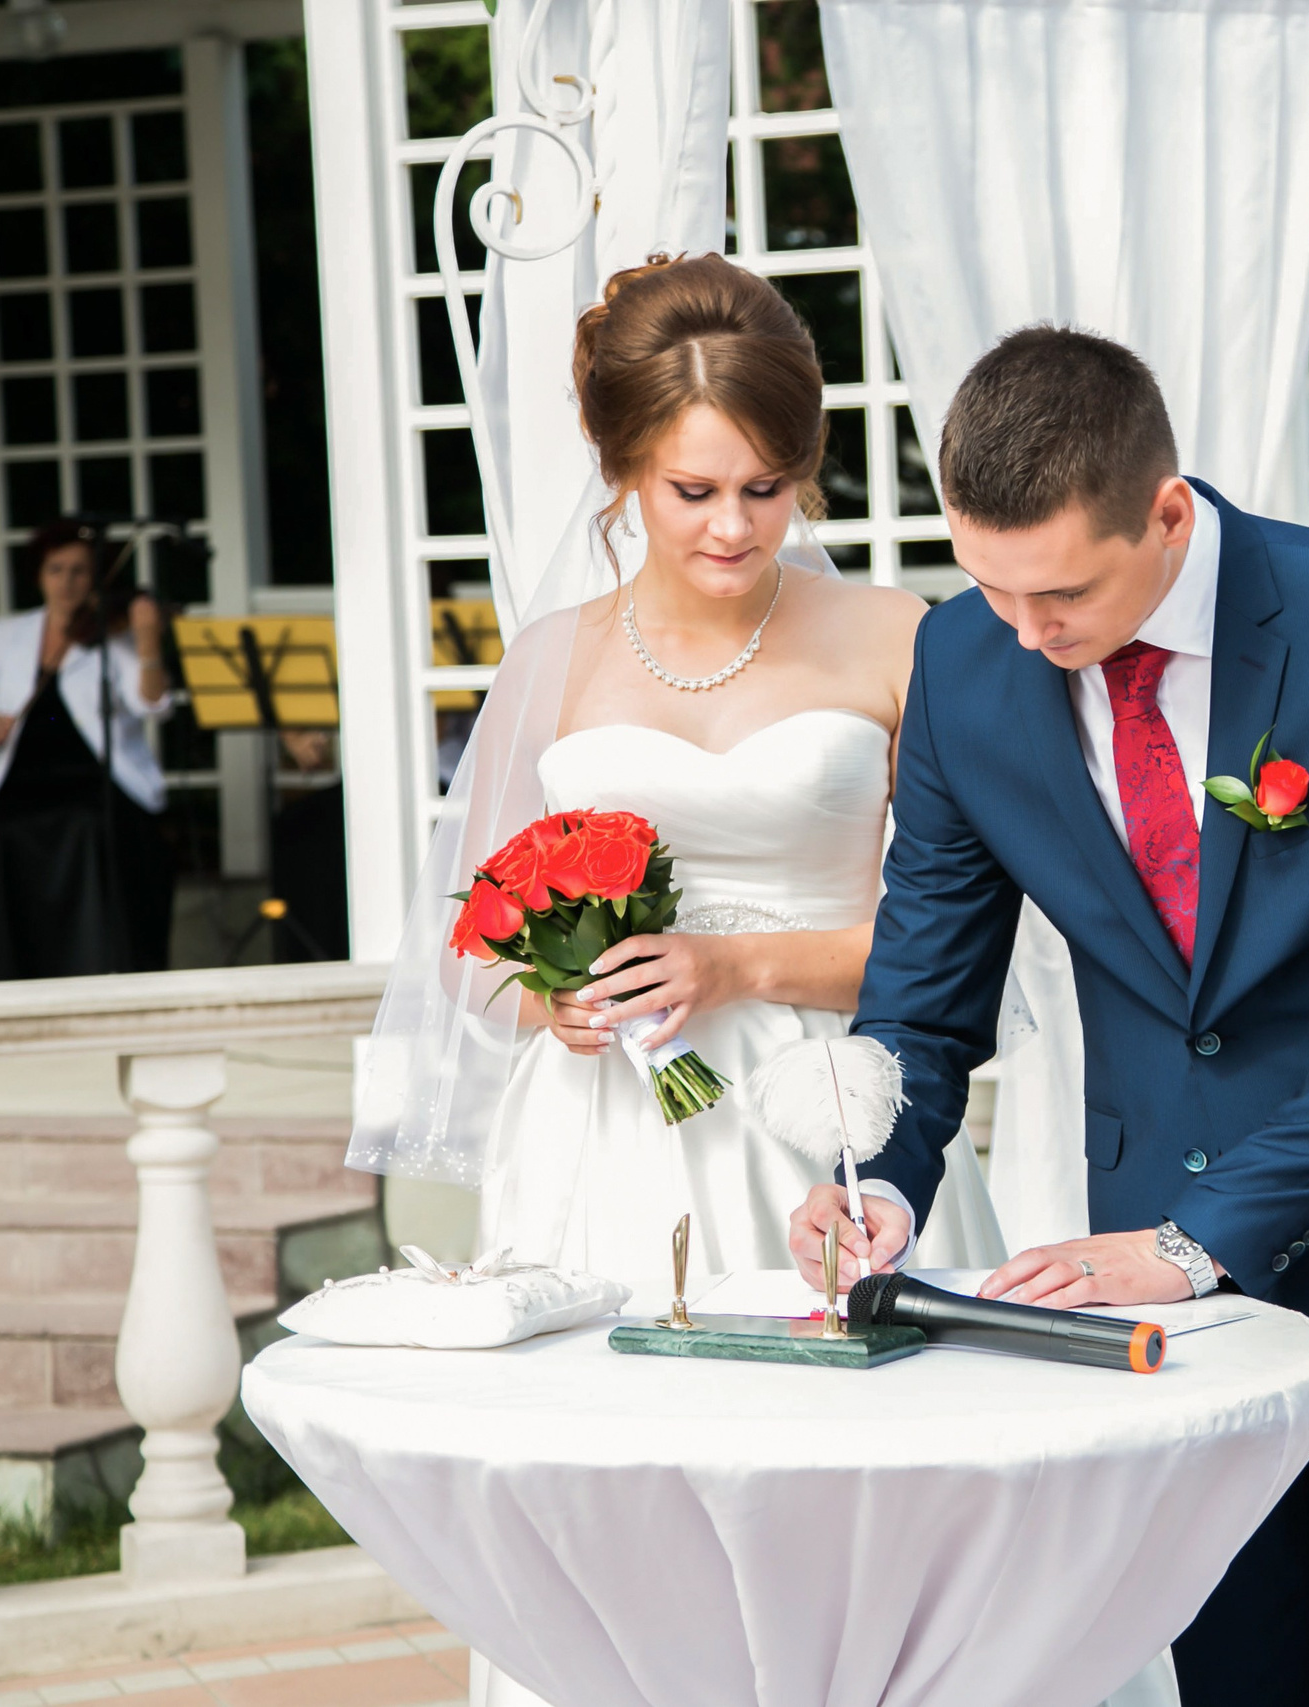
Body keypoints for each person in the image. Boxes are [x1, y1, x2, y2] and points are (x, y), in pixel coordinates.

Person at [788, 327, 1309, 1707]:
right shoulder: (969, 668)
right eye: (989, 585)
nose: (1026, 634)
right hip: (1177, 1333)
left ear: (1166, 513)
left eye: (1060, 593)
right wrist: (885, 1184)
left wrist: (1190, 1239)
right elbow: (923, 1000)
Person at [341, 254, 1009, 1707]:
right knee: (620, 1510)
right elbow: (492, 939)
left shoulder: (906, 638)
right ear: (625, 471)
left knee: (858, 1507)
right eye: (692, 490)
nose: (732, 525)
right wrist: (560, 997)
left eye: (765, 488)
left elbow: (958, 937)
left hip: (834, 1120)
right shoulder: (551, 662)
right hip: (606, 1136)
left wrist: (735, 961)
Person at [0, 518, 173, 980]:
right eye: (56, 570)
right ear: (40, 576)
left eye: (80, 571)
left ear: (96, 577)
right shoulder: (9, 636)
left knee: (88, 829)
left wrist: (146, 640)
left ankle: (99, 967)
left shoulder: (112, 633)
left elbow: (152, 702)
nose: (67, 582)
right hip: (25, 784)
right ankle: (4, 976)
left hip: (99, 784)